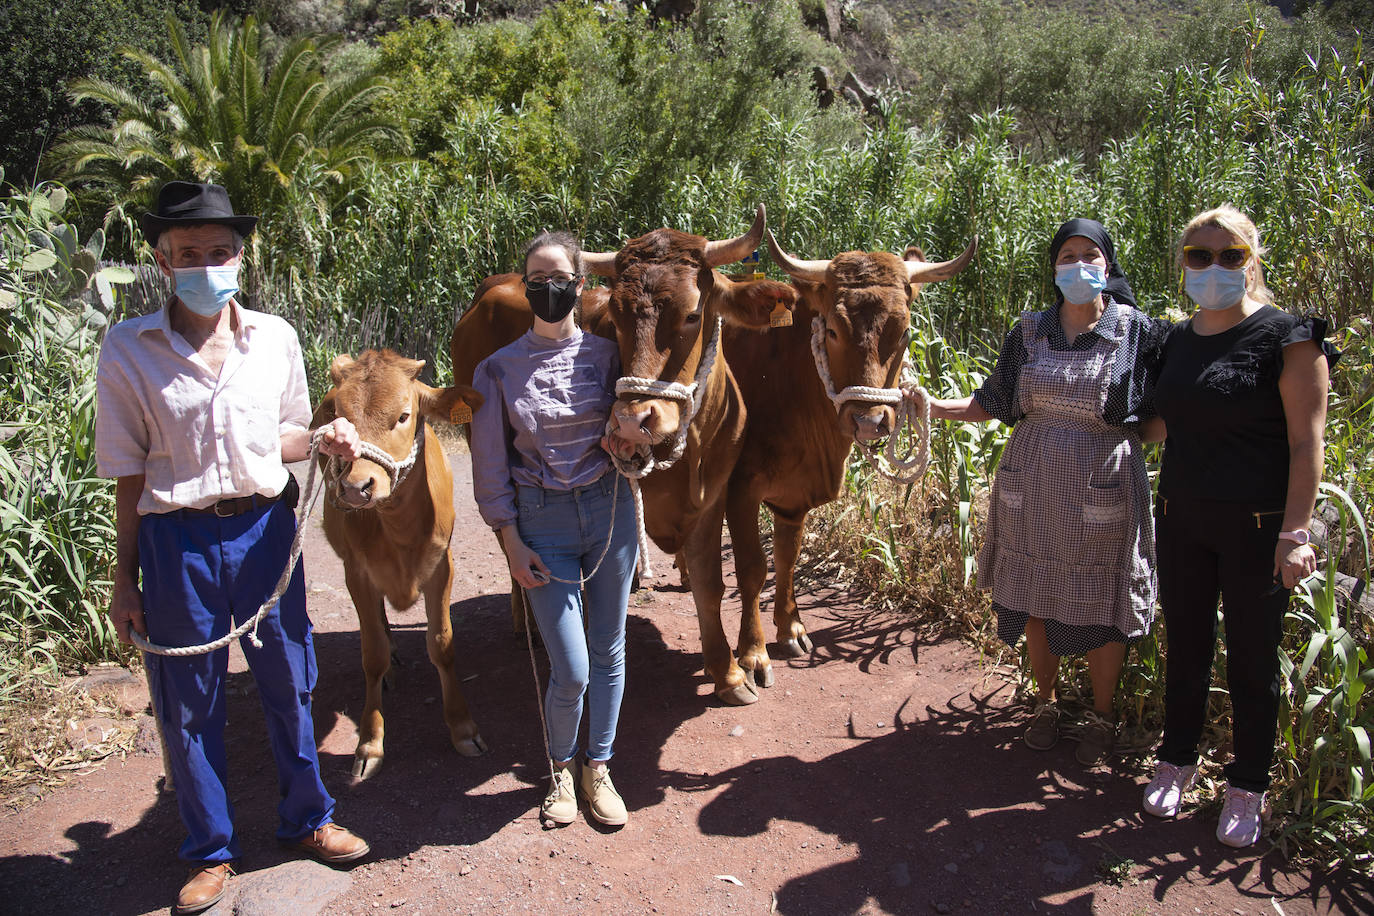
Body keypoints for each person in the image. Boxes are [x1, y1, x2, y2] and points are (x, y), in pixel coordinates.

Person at [95, 181, 370, 914]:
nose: (207, 265)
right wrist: (125, 580)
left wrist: (320, 439)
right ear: (162, 262)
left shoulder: (274, 337)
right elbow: (127, 472)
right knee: (188, 702)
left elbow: (280, 437)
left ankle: (308, 817)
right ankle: (210, 850)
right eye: (190, 253)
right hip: (174, 540)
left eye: (221, 251)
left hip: (264, 532)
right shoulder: (128, 348)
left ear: (240, 257)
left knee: (291, 680)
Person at [907, 218, 1169, 766]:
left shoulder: (1136, 330)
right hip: (1031, 485)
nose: (1078, 265)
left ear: (1107, 265)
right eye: (1067, 255)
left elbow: (1160, 416)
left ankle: (1100, 714)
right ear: (1053, 268)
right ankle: (1046, 703)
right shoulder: (1028, 331)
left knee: (1103, 601)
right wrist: (930, 407)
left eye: (1089, 256)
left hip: (1105, 490)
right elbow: (993, 402)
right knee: (1035, 594)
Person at [1142, 205, 1338, 848]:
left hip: (1259, 529)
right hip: (1180, 519)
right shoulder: (1174, 338)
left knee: (1252, 660)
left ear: (1250, 261)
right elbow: (1160, 423)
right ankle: (1176, 760)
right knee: (1188, 649)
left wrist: (1296, 534)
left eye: (1230, 256)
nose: (1214, 267)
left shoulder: (1289, 337)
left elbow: (1307, 445)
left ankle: (1248, 785)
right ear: (1183, 266)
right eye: (1199, 255)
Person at [470, 231, 639, 827]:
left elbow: (645, 435)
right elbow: (491, 469)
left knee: (609, 649)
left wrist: (630, 441)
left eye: (559, 282)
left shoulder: (610, 357)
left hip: (610, 510)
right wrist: (510, 540)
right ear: (523, 287)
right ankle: (560, 771)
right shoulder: (497, 370)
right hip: (542, 523)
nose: (548, 292)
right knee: (570, 666)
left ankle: (600, 766)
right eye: (535, 283)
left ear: (580, 284)